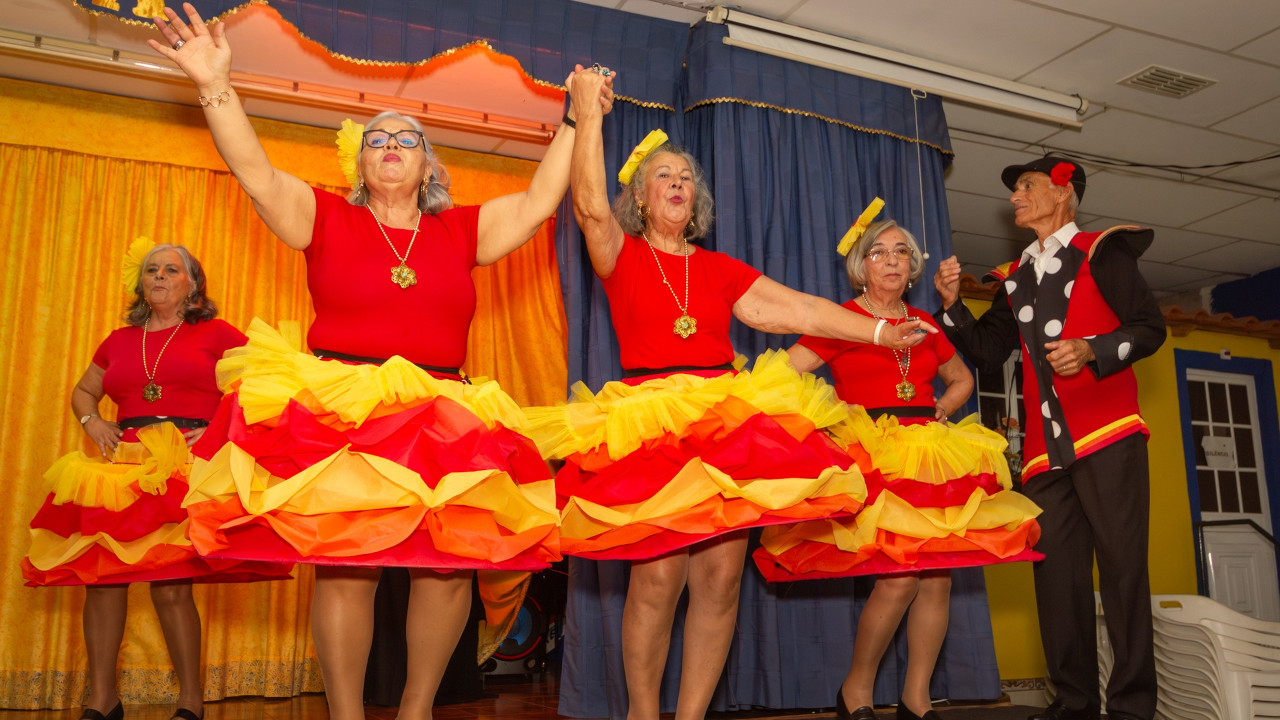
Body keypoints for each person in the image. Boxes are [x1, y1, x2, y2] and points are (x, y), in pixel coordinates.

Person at [147, 5, 612, 720]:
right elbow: (255, 171)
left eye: (408, 139)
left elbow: (543, 198)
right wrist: (216, 85)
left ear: (429, 164)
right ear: (359, 162)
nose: (391, 145)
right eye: (377, 139)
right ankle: (345, 714)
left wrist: (577, 120)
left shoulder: (459, 230)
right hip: (344, 409)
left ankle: (417, 709)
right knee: (346, 566)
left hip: (443, 413)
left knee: (450, 567)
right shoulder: (327, 218)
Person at [532, 70, 933, 720]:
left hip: (723, 428)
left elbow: (797, 309)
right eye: (665, 176)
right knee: (657, 577)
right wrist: (589, 117)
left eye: (687, 178)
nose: (679, 185)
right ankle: (642, 711)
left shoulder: (718, 269)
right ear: (641, 194)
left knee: (720, 578)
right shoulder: (623, 255)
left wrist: (882, 330)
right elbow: (586, 208)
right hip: (653, 423)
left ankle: (690, 715)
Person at [752, 218, 1043, 720]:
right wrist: (824, 423)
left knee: (939, 577)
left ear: (912, 268)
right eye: (879, 252)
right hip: (874, 454)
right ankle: (856, 690)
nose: (891, 260)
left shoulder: (927, 324)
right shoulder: (843, 319)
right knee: (899, 577)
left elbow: (960, 380)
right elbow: (782, 373)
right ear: (861, 266)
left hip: (929, 455)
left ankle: (917, 697)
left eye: (901, 252)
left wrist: (942, 412)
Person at [933, 156, 1165, 720]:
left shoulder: (1101, 251)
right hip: (1043, 453)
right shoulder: (1016, 275)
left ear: (1063, 194)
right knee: (1056, 582)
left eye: (1027, 187)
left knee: (1122, 572)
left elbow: (1149, 327)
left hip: (1107, 434)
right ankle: (1075, 704)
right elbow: (988, 353)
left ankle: (1132, 708)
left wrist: (1094, 350)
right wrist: (952, 307)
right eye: (1015, 190)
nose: (1015, 197)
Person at [23, 241, 288, 720]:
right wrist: (92, 424)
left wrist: (216, 428)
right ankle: (103, 700)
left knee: (171, 585)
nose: (160, 277)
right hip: (122, 468)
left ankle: (191, 702)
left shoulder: (216, 333)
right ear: (140, 283)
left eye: (171, 270)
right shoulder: (119, 340)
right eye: (151, 270)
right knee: (102, 581)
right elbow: (85, 391)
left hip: (184, 472)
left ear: (193, 285)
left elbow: (265, 385)